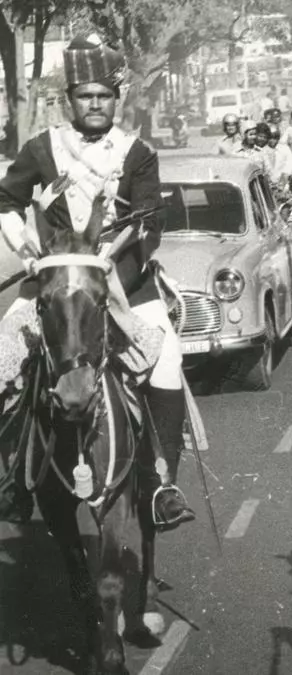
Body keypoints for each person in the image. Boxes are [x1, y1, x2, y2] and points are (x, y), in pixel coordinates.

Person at [0, 35, 194, 529]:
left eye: (103, 96)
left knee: (166, 356)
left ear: (116, 99)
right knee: (5, 357)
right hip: (53, 285)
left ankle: (161, 483)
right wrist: (26, 250)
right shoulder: (42, 148)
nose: (94, 104)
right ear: (69, 101)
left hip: (122, 285)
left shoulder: (137, 153)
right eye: (85, 96)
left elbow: (150, 220)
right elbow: (6, 200)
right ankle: (13, 479)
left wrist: (109, 260)